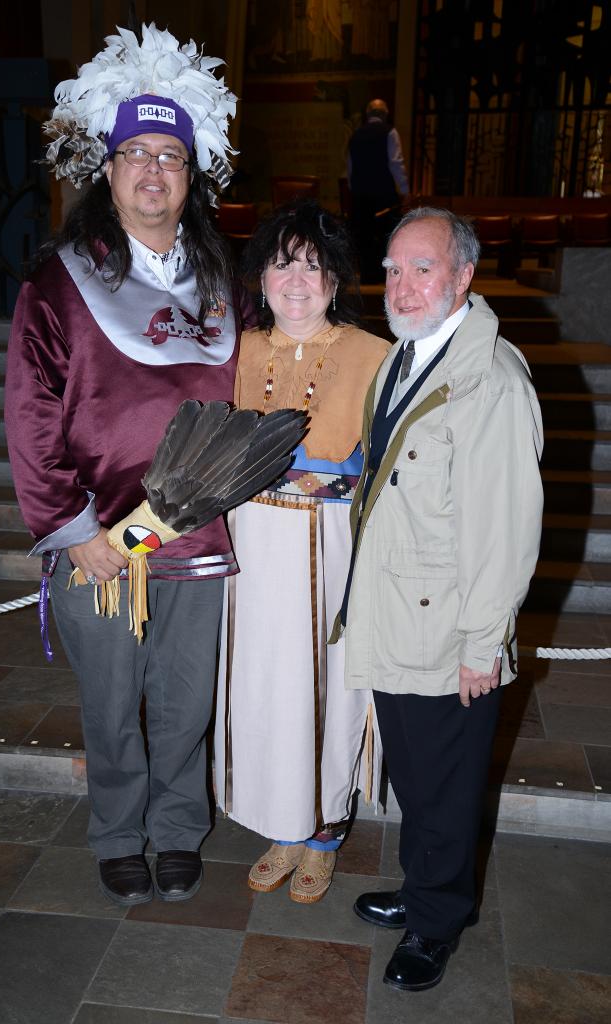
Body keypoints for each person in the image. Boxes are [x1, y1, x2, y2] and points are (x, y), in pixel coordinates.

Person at [5, 24, 246, 907]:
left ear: (191, 176)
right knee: (111, 707)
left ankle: (177, 828)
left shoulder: (225, 285)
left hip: (201, 539)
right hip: (101, 544)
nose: (153, 170)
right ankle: (117, 833)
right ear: (107, 172)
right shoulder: (58, 283)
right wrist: (72, 532)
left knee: (185, 703)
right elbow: (31, 414)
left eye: (170, 156)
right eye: (136, 154)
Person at [332, 207, 543, 989]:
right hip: (398, 612)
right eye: (392, 268)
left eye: (422, 269)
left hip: (449, 630)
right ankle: (425, 887)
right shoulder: (407, 355)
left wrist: (482, 644)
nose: (401, 284)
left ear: (461, 278)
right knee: (418, 776)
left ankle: (436, 921)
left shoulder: (490, 381)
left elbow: (505, 529)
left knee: (445, 785)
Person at [214, 199, 390, 903]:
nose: (296, 281)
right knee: (264, 686)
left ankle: (321, 833)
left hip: (330, 547)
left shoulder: (374, 355)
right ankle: (281, 826)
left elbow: (396, 464)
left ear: (335, 280)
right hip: (249, 549)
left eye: (312, 267)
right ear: (260, 277)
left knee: (324, 689)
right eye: (282, 265)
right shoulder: (235, 351)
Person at [347, 98, 409, 283]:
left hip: (360, 195)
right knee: (385, 235)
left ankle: (367, 275)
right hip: (383, 194)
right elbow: (396, 163)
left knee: (364, 236)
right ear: (385, 114)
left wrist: (353, 189)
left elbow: (350, 167)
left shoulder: (355, 135)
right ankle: (384, 276)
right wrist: (404, 190)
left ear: (367, 115)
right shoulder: (390, 132)